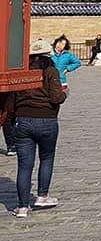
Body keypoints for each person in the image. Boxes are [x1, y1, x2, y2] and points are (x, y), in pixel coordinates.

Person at [5, 39, 67, 218]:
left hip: (23, 120)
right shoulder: (50, 71)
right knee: (46, 158)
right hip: (47, 120)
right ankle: (42, 196)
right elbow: (56, 98)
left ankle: (23, 207)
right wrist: (64, 94)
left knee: (24, 165)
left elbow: (11, 102)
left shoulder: (21, 72)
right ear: (49, 54)